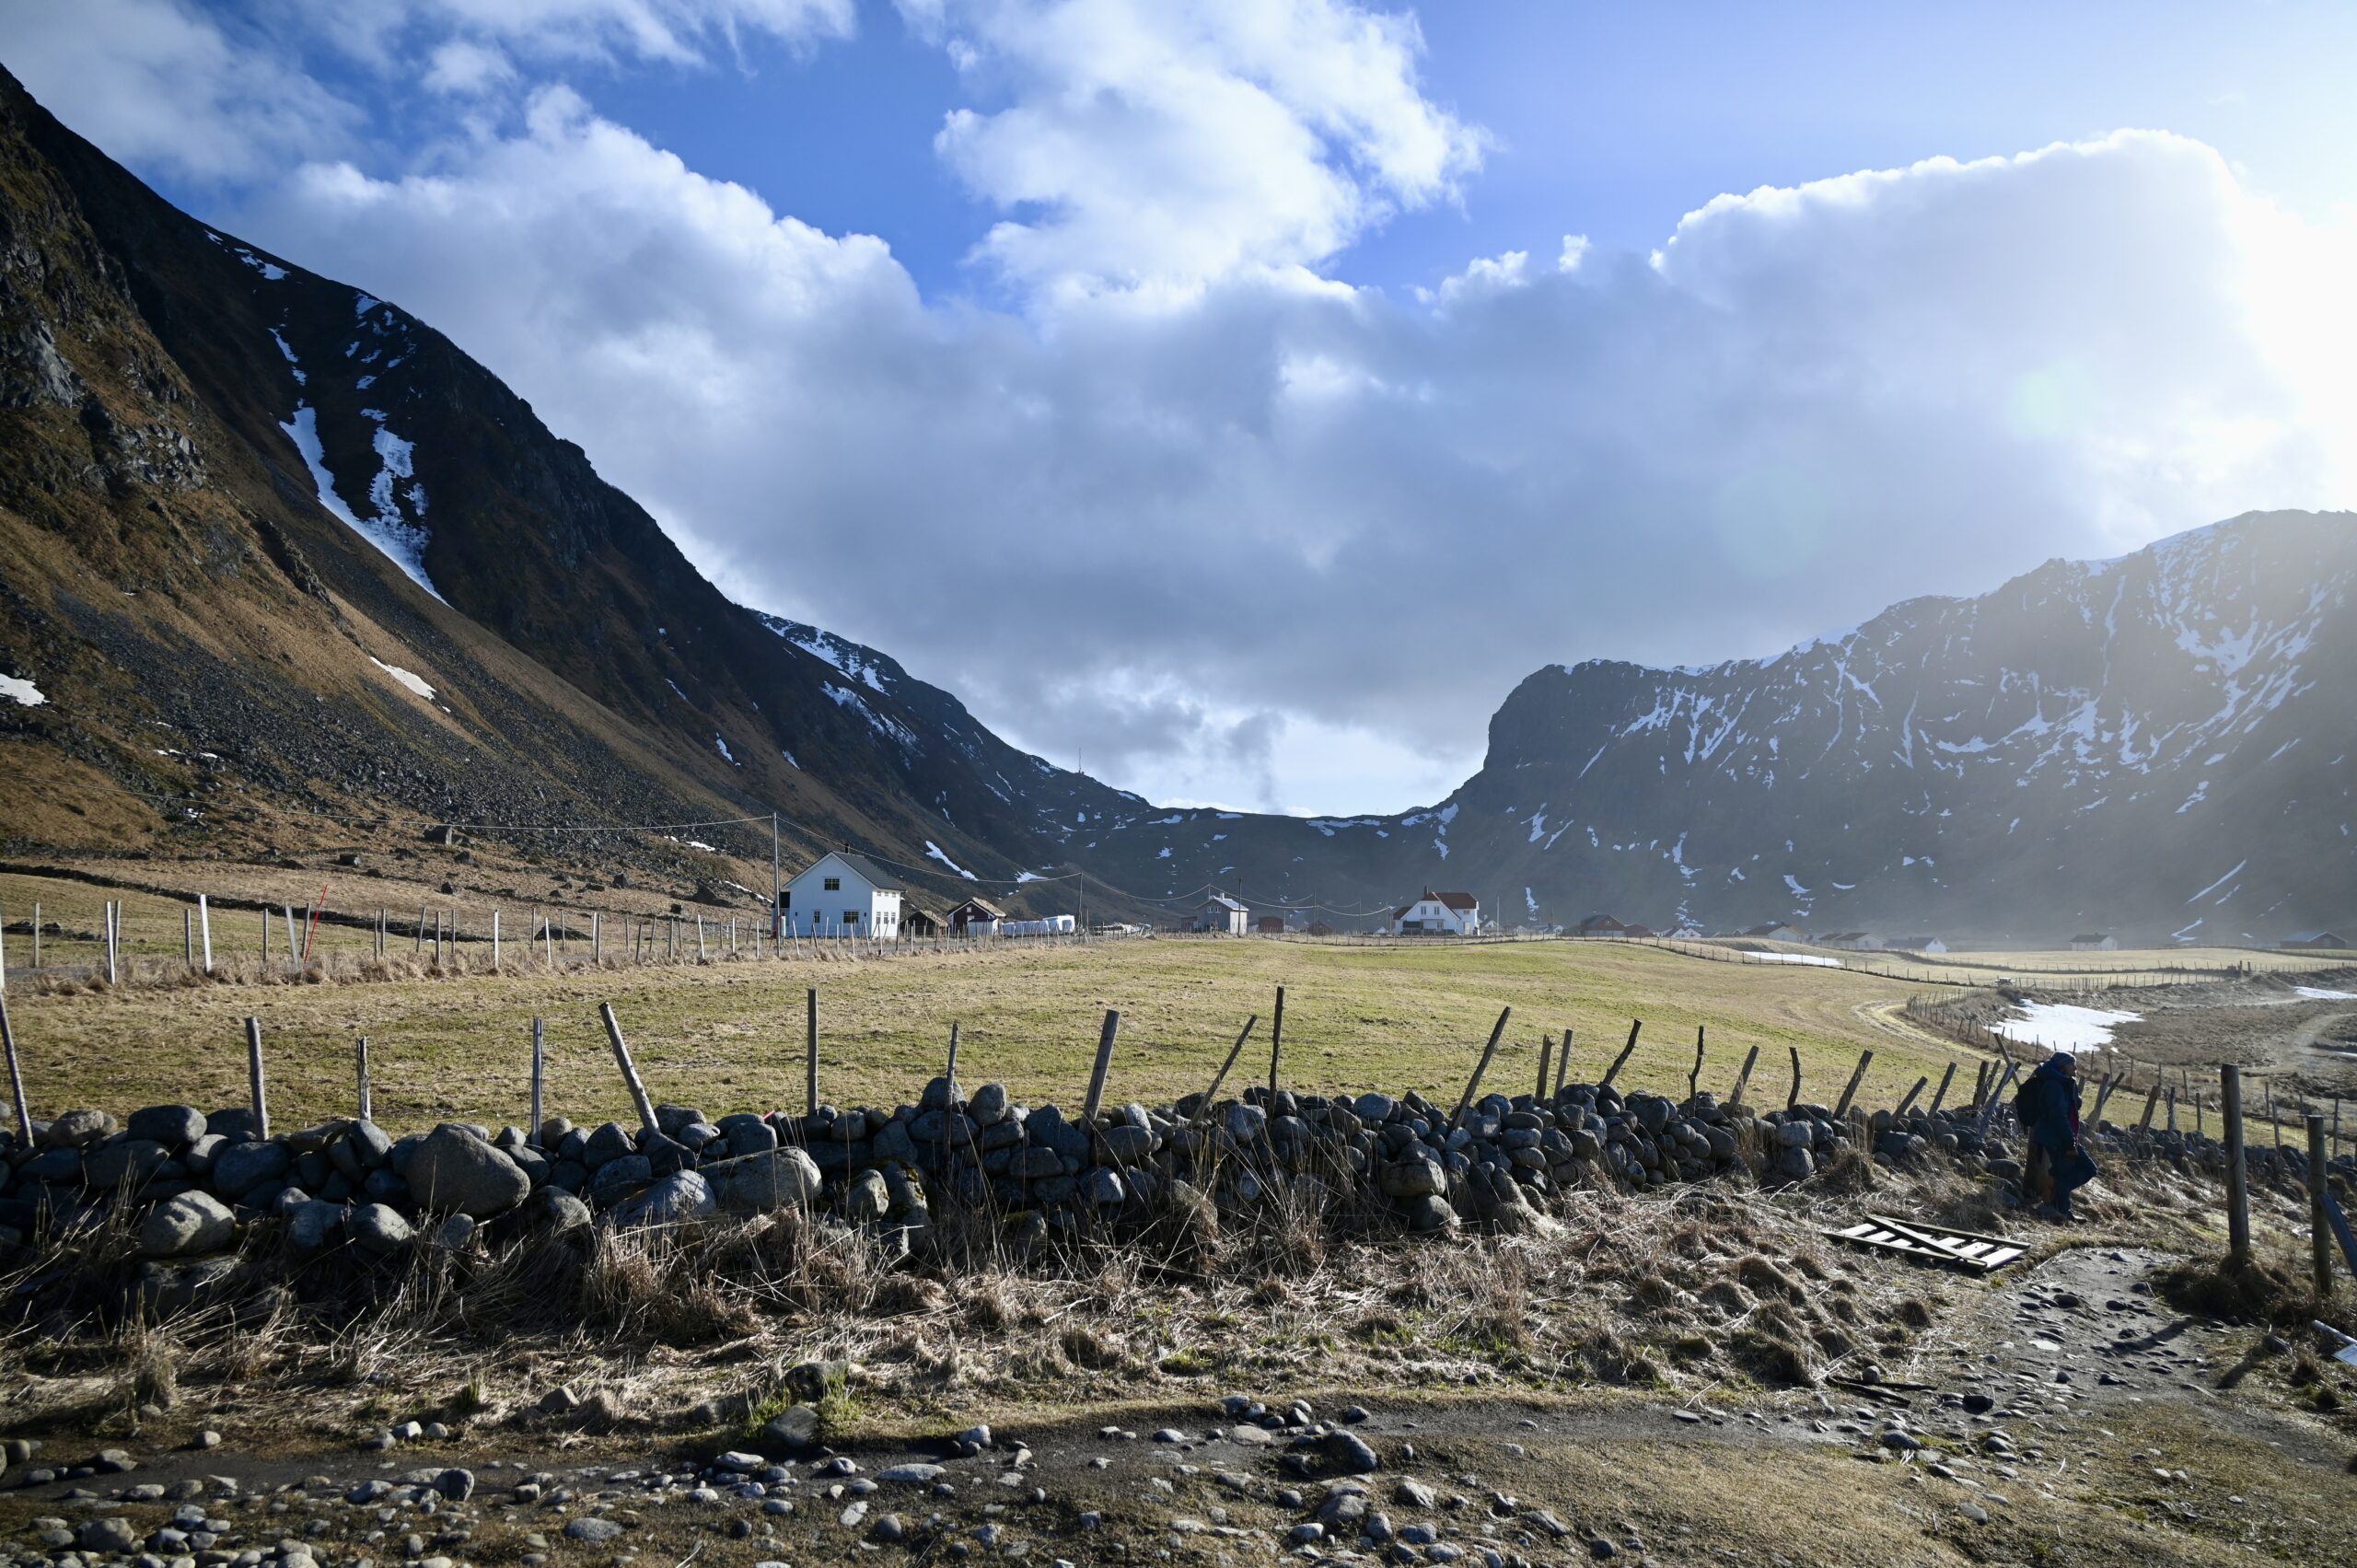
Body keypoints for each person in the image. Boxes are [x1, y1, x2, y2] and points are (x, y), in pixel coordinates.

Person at [2017, 1051, 2096, 1220]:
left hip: (2061, 1136)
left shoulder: (2063, 1082)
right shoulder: (2054, 1085)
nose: (2075, 1068)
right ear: (2062, 1066)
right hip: (2057, 1138)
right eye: (2071, 1064)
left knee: (2067, 1173)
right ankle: (2059, 1209)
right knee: (2083, 1170)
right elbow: (2058, 1116)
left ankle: (2056, 1201)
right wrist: (2069, 1142)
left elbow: (2070, 1107)